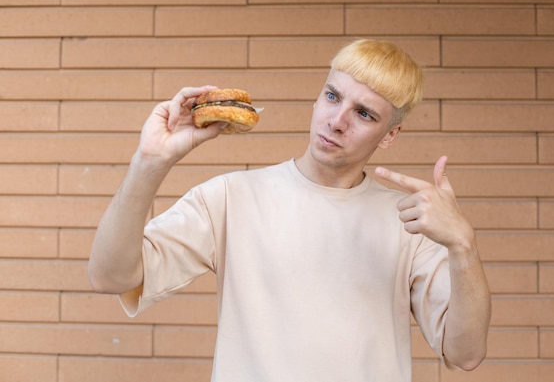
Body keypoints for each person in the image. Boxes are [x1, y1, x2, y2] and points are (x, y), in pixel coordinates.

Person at [88, 39, 491, 381]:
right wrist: (149, 162)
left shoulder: (409, 223)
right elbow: (109, 275)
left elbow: (465, 353)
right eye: (332, 96)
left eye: (364, 114)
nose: (336, 121)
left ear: (390, 134)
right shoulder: (232, 197)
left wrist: (463, 246)